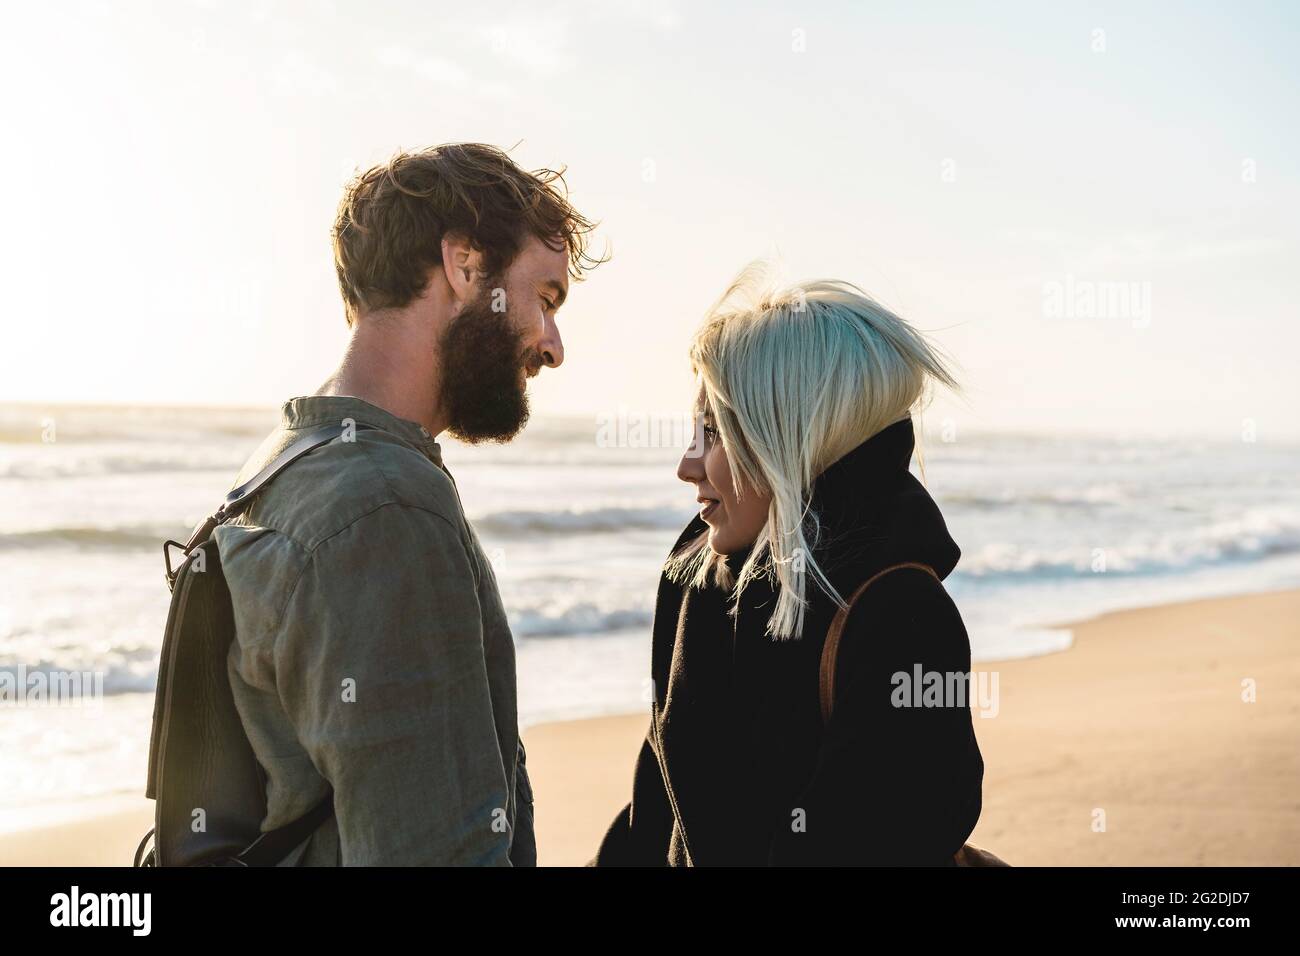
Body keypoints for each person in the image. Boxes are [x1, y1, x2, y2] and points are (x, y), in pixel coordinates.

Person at [217, 143, 602, 865]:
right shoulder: (388, 508)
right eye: (544, 299)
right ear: (463, 267)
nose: (552, 348)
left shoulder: (281, 464)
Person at [594, 263, 983, 865]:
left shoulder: (901, 617)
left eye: (714, 432)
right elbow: (660, 804)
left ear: (791, 436)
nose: (686, 466)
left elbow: (904, 826)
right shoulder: (694, 570)